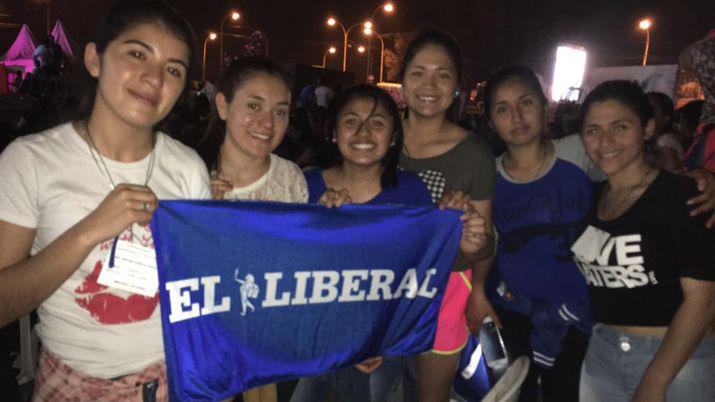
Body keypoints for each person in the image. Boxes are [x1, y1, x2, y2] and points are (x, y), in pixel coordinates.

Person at [0, 1, 210, 400]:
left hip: (170, 381)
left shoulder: (188, 170)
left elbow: (199, 292)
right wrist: (89, 231)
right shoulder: (30, 161)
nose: (154, 77)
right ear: (95, 58)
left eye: (173, 70)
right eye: (137, 54)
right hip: (71, 384)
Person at [293, 84, 488, 402]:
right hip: (315, 339)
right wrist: (319, 222)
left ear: (394, 137)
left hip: (381, 343)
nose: (364, 133)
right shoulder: (302, 186)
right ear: (333, 132)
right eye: (352, 121)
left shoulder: (412, 193)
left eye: (378, 123)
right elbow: (282, 266)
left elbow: (420, 273)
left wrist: (466, 235)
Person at [575, 80, 715, 402]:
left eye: (620, 126)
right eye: (592, 130)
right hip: (602, 352)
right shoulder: (592, 199)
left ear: (648, 128)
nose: (605, 141)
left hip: (677, 361)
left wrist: (655, 382)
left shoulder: (681, 195)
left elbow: (703, 301)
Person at [478, 66, 600, 402]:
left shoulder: (579, 151)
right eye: (502, 109)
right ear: (491, 122)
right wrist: (477, 291)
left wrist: (696, 177)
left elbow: (635, 175)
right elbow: (487, 242)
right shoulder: (486, 174)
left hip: (584, 313)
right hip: (518, 313)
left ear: (545, 106)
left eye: (526, 102)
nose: (516, 116)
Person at [196, 56, 308, 402]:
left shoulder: (290, 178)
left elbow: (302, 260)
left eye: (280, 111)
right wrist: (199, 207)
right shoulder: (190, 173)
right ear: (223, 104)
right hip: (206, 337)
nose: (267, 122)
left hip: (269, 335)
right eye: (254, 106)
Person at [397, 30, 496, 402]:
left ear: (457, 87)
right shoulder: (379, 138)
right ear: (404, 79)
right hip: (379, 286)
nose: (429, 84)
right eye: (418, 72)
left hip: (445, 290)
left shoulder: (474, 153)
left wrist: (479, 289)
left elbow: (485, 241)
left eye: (443, 75)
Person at [646, 91, 683, 172]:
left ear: (665, 118)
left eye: (652, 110)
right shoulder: (655, 140)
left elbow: (673, 171)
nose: (646, 113)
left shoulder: (664, 141)